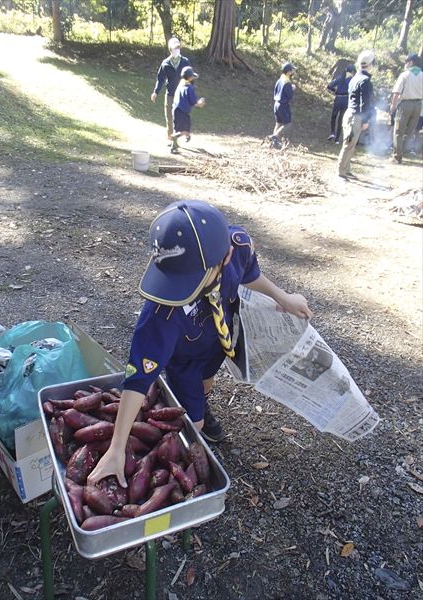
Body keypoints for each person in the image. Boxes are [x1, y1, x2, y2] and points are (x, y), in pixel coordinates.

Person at [87, 200, 312, 488]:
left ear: (226, 257)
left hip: (217, 342)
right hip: (184, 361)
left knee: (207, 383)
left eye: (191, 279)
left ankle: (202, 402)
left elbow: (249, 273)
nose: (181, 289)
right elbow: (137, 379)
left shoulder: (236, 246)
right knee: (194, 425)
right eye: (176, 278)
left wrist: (282, 297)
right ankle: (194, 426)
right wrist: (117, 448)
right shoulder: (161, 313)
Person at [337, 50, 375, 180]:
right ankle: (341, 172)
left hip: (349, 113)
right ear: (370, 64)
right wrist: (366, 120)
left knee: (350, 144)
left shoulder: (354, 79)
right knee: (348, 144)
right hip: (356, 116)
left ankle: (346, 169)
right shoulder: (365, 81)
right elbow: (365, 103)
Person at [151, 38, 191, 141]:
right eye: (174, 48)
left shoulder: (185, 62)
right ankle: (171, 139)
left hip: (182, 96)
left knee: (181, 117)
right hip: (170, 94)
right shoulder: (166, 63)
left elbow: (190, 77)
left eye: (178, 47)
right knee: (169, 117)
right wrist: (156, 92)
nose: (176, 50)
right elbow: (160, 79)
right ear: (170, 49)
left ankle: (185, 133)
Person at [389, 52, 423, 164]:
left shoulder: (405, 74)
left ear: (411, 62)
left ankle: (397, 156)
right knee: (410, 131)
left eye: (406, 62)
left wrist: (393, 105)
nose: (406, 64)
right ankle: (402, 151)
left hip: (406, 104)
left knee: (399, 130)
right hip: (418, 105)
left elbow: (396, 92)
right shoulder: (422, 74)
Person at [171, 67, 205, 154]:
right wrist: (200, 103)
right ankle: (177, 136)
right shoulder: (189, 87)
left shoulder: (180, 84)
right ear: (190, 77)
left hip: (175, 109)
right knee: (186, 129)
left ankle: (173, 147)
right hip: (183, 111)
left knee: (176, 128)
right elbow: (194, 102)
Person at [268, 62, 297, 149]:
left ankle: (274, 142)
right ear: (288, 72)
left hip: (276, 104)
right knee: (287, 123)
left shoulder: (279, 80)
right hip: (283, 105)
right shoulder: (287, 83)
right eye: (291, 71)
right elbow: (289, 95)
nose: (292, 73)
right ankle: (274, 136)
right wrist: (292, 89)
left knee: (278, 123)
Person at [327, 63, 356, 145]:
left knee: (334, 116)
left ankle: (332, 132)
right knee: (341, 118)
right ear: (353, 71)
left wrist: (335, 91)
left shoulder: (340, 77)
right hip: (346, 99)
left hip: (338, 98)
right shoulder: (352, 79)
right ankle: (337, 139)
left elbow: (329, 86)